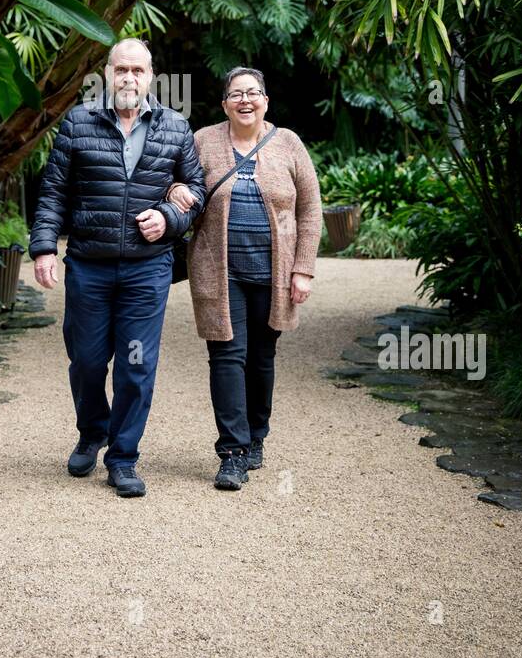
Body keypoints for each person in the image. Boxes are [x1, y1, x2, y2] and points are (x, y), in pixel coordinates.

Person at [29, 39, 206, 498]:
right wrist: (44, 248)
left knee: (137, 365)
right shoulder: (78, 123)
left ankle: (123, 457)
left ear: (151, 76)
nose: (129, 78)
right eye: (121, 69)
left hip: (148, 270)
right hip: (88, 265)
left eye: (138, 70)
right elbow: (53, 192)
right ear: (107, 73)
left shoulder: (175, 128)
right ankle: (92, 432)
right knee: (87, 361)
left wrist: (168, 218)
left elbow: (196, 193)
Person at [166, 66, 322, 490]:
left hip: (273, 273)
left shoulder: (288, 143)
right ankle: (231, 452)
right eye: (236, 94)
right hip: (220, 271)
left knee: (261, 358)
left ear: (266, 101)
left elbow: (310, 210)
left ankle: (257, 436)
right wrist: (174, 191)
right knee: (226, 357)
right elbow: (177, 182)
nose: (245, 100)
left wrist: (302, 269)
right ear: (225, 104)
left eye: (253, 93)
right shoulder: (203, 141)